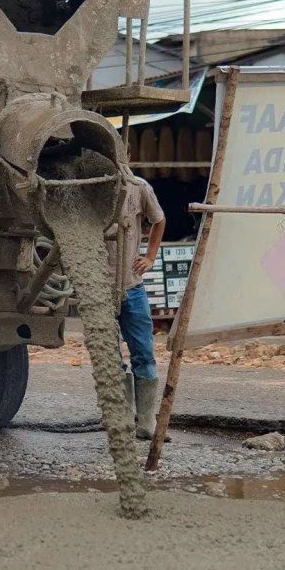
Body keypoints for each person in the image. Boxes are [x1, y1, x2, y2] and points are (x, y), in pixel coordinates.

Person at [108, 175, 166, 439]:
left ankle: (146, 422)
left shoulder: (138, 186)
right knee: (110, 358)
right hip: (99, 289)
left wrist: (151, 257)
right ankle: (123, 419)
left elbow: (159, 219)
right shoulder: (88, 187)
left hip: (133, 286)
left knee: (143, 353)